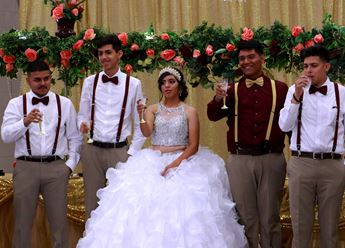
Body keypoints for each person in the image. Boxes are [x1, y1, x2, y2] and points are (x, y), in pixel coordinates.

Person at [76, 67, 248, 248]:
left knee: (186, 212)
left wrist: (175, 164)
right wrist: (141, 116)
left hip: (184, 161)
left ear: (179, 86)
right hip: (154, 159)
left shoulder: (189, 111)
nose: (167, 86)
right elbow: (146, 132)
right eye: (163, 83)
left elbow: (193, 146)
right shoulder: (152, 109)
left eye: (171, 82)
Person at [207, 40, 288, 248]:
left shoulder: (280, 89)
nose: (246, 62)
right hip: (240, 160)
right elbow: (213, 115)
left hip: (272, 158)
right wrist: (217, 99)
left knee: (270, 217)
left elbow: (290, 123)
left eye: (251, 57)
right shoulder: (231, 90)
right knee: (245, 218)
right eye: (242, 58)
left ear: (262, 58)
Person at [1, 60, 82, 248]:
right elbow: (5, 135)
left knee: (59, 224)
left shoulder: (65, 104)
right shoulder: (16, 104)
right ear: (28, 80)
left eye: (46, 79)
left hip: (56, 168)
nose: (43, 83)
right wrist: (25, 122)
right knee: (22, 222)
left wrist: (69, 166)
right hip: (25, 167)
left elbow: (75, 138)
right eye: (37, 79)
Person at [279, 45, 345, 248]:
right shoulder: (294, 90)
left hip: (333, 165)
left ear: (326, 66)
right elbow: (284, 125)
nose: (308, 70)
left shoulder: (341, 92)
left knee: (330, 228)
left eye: (314, 65)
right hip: (301, 163)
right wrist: (296, 97)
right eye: (306, 66)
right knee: (300, 227)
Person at [78, 34, 146, 219]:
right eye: (100, 53)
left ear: (119, 54)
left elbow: (140, 123)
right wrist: (83, 125)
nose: (104, 57)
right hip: (92, 151)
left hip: (120, 151)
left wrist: (131, 153)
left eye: (108, 52)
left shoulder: (133, 84)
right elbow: (82, 115)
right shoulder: (89, 82)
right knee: (92, 207)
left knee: (121, 208)